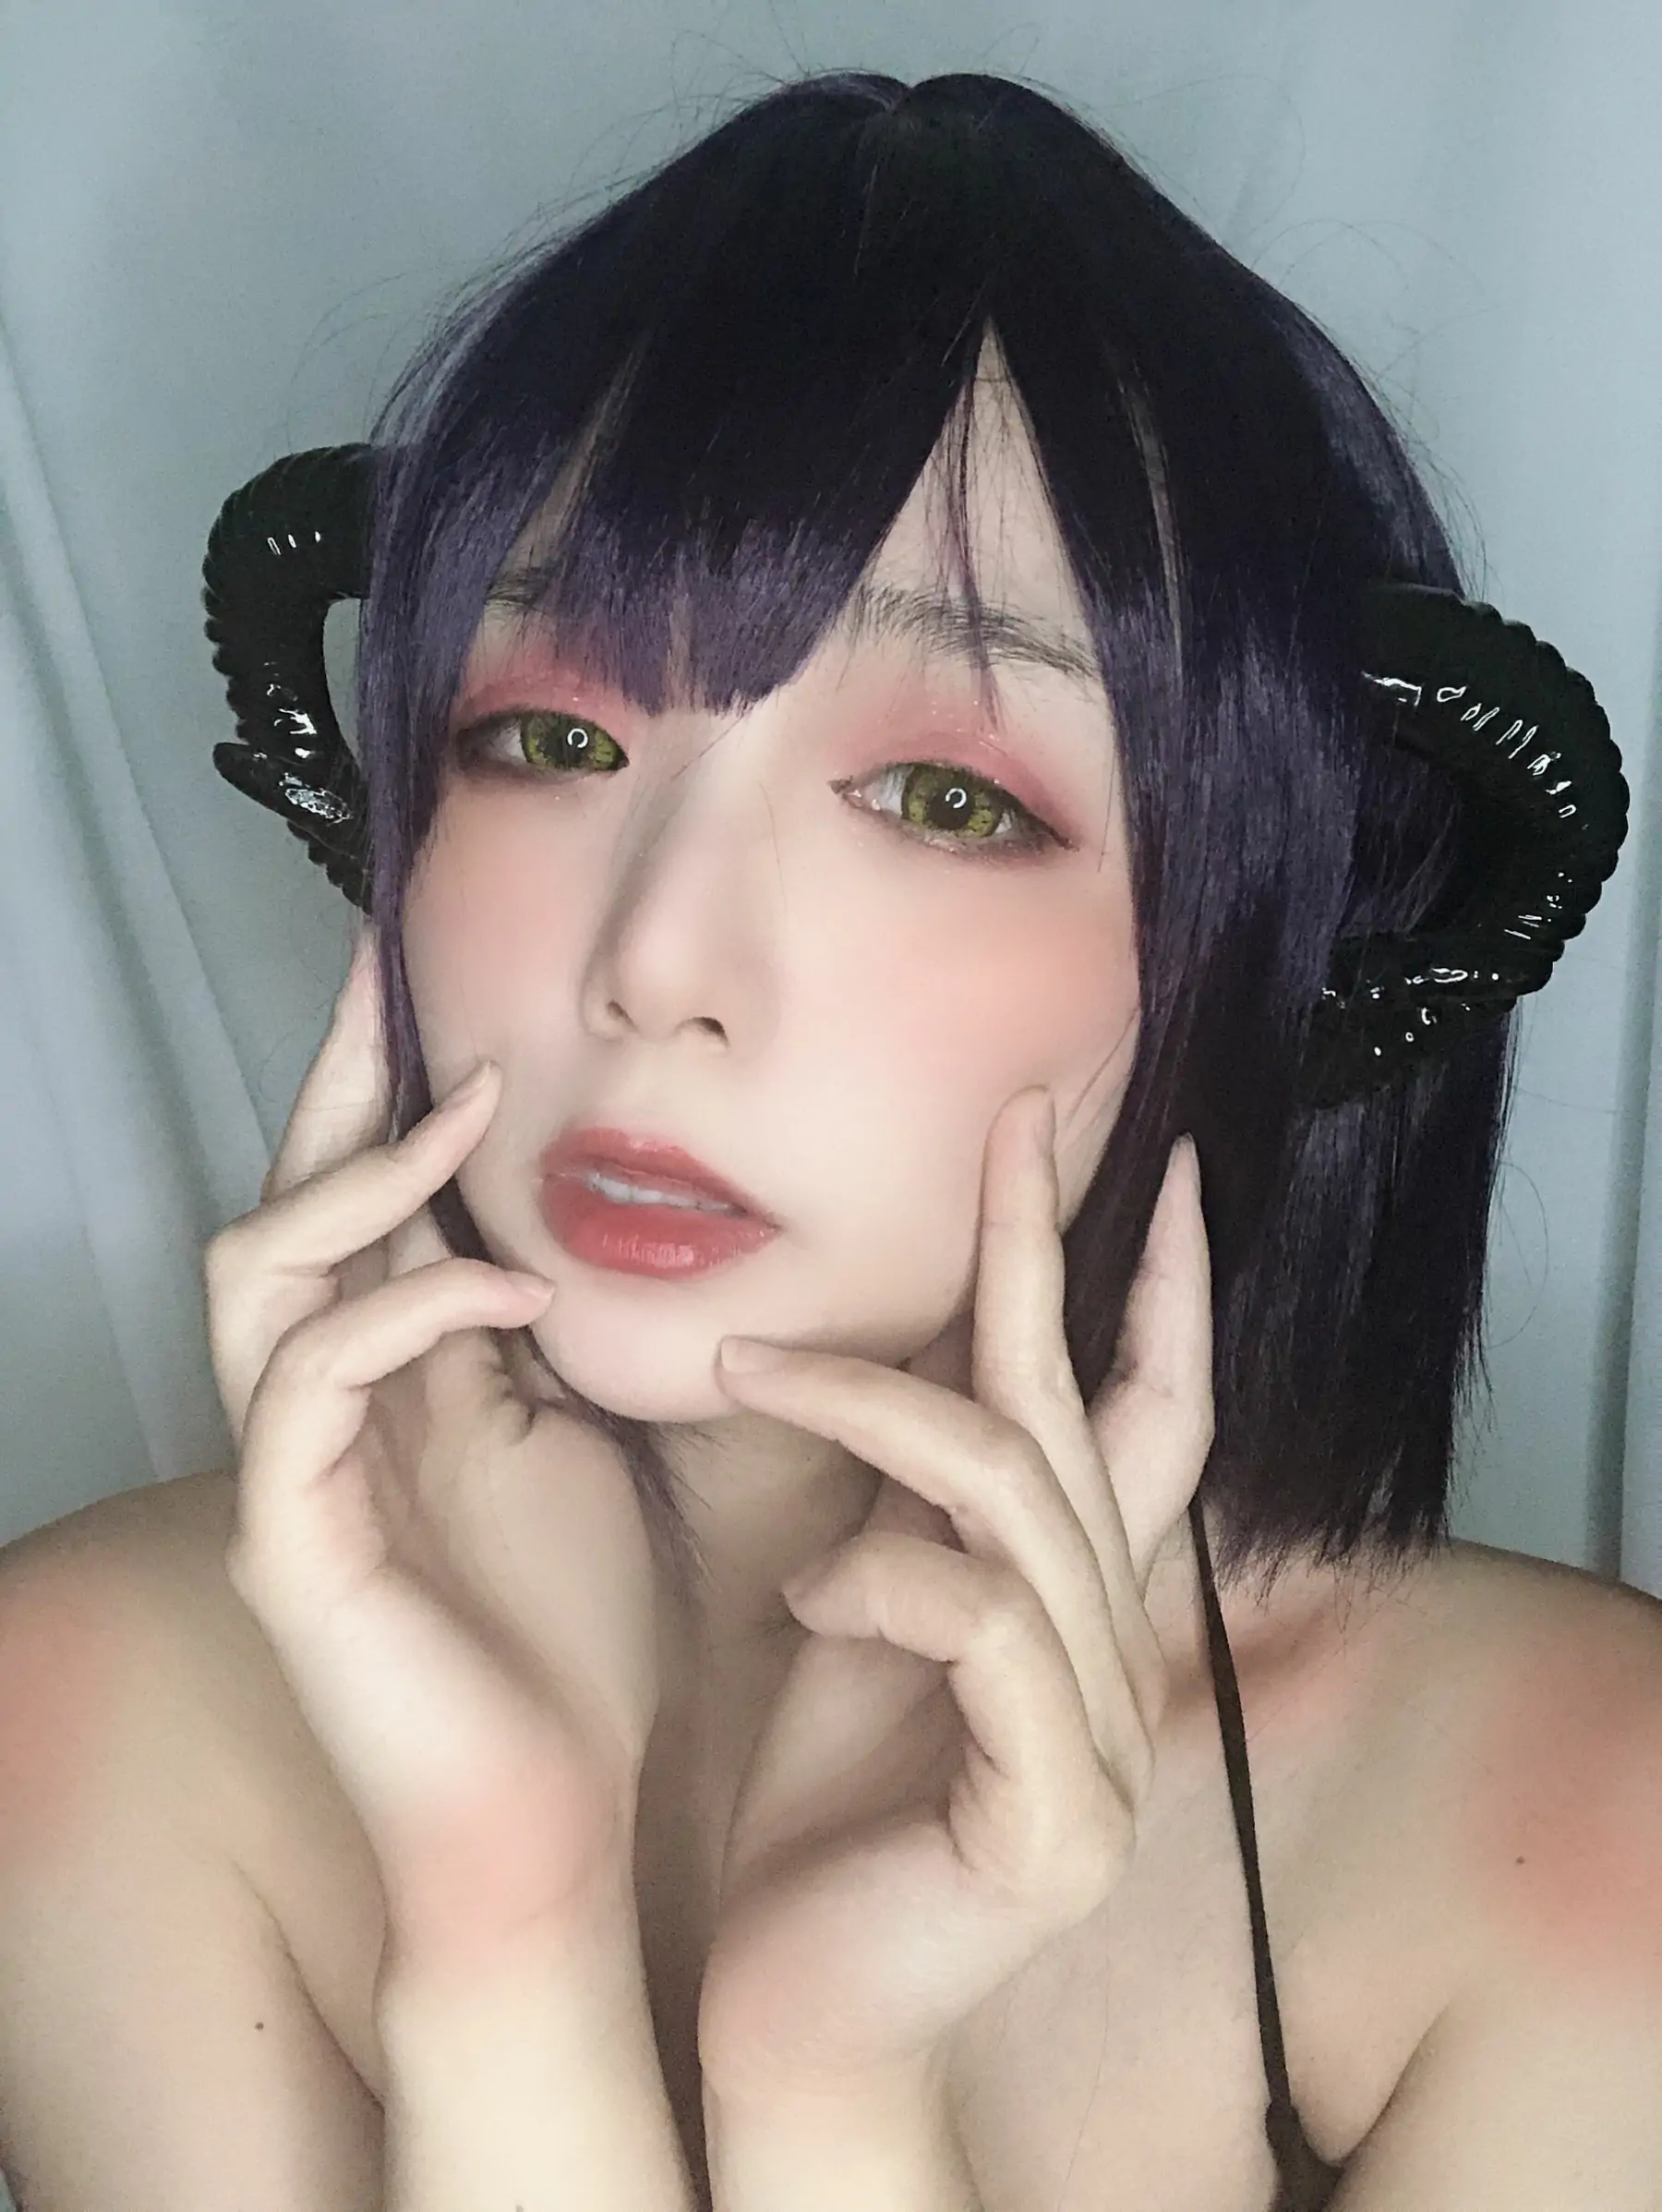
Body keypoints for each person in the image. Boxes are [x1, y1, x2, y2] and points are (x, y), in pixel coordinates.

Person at [1, 66, 1659, 2212]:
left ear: (1254, 946)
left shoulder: (1579, 1835)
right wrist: (503, 1932)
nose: (657, 963)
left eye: (945, 799)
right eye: (548, 735)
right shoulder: (80, 1718)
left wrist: (825, 2083)